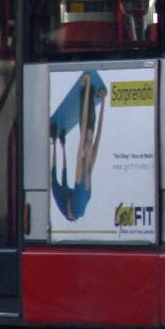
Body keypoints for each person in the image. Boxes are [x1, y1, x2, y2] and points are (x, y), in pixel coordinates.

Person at [50, 69, 107, 221]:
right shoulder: (90, 164)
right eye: (89, 145)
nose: (89, 146)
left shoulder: (80, 175)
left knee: (55, 179)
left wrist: (88, 85)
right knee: (90, 129)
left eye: (86, 147)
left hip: (69, 209)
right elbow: (98, 134)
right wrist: (103, 101)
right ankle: (87, 94)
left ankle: (57, 142)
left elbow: (84, 137)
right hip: (77, 204)